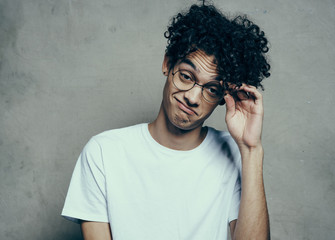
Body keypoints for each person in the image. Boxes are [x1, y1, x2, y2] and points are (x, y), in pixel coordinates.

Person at [62, 2, 271, 240]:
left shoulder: (233, 153)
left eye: (211, 89)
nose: (192, 97)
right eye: (185, 76)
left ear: (224, 98)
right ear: (167, 64)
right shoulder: (103, 153)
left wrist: (251, 149)